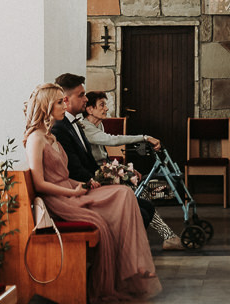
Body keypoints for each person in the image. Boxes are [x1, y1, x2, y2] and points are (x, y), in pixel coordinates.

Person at [23, 83, 160, 301]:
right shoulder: (35, 139)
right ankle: (126, 269)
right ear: (47, 106)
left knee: (123, 194)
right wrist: (73, 193)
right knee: (121, 198)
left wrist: (85, 184)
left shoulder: (51, 136)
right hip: (60, 199)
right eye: (59, 102)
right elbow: (39, 184)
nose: (63, 105)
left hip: (70, 188)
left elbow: (64, 175)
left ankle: (131, 267)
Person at [51, 74, 156, 230]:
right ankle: (123, 247)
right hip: (81, 189)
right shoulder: (60, 128)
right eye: (81, 95)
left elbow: (91, 161)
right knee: (140, 211)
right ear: (66, 99)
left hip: (93, 180)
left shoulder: (77, 123)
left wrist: (119, 172)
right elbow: (74, 169)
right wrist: (105, 183)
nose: (85, 99)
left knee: (147, 206)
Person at [82, 90, 183, 251]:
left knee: (141, 192)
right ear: (89, 109)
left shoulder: (97, 124)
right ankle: (164, 237)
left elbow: (104, 157)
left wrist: (123, 169)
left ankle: (159, 236)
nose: (106, 109)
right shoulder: (85, 127)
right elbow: (112, 140)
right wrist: (144, 137)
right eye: (102, 105)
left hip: (104, 170)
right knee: (139, 192)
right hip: (95, 176)